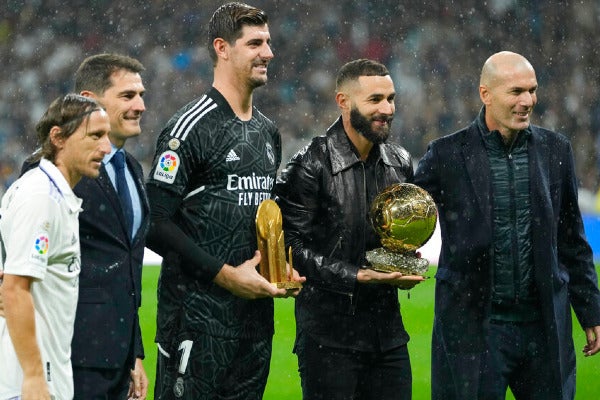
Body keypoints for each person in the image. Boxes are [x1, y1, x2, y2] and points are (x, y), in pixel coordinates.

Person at [413, 51, 600, 399]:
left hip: (543, 329)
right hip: (474, 330)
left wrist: (590, 310)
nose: (527, 101)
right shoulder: (446, 154)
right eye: (516, 91)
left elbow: (572, 239)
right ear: (486, 94)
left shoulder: (555, 150)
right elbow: (407, 213)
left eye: (532, 90)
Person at [145, 3, 303, 400]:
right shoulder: (189, 129)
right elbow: (154, 222)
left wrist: (278, 264)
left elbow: (260, 218)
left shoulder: (268, 133)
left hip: (253, 325)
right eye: (255, 43)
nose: (268, 53)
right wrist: (225, 275)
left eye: (268, 42)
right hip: (196, 323)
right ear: (222, 48)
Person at [274, 59, 426, 400]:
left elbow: (394, 238)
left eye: (391, 98)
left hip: (388, 336)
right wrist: (356, 275)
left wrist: (402, 259)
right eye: (375, 100)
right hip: (329, 340)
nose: (386, 109)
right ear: (343, 102)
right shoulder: (311, 163)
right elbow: (291, 246)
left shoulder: (399, 161)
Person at [17, 53, 150, 399]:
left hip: (117, 356)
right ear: (89, 102)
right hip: (71, 353)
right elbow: (19, 265)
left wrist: (133, 350)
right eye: (127, 96)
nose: (140, 105)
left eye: (141, 95)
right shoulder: (49, 174)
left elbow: (126, 268)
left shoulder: (133, 170)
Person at [0, 94, 111, 399]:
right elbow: (14, 288)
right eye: (95, 136)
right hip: (27, 381)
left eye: (107, 136)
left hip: (45, 376)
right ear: (58, 137)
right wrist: (35, 377)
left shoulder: (52, 194)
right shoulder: (41, 198)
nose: (106, 147)